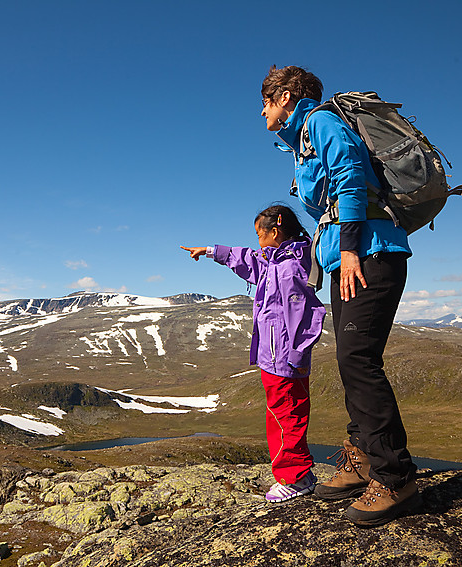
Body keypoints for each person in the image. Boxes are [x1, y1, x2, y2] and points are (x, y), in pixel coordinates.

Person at [260, 64, 422, 526]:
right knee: (353, 356)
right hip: (352, 254)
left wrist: (348, 249)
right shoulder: (304, 137)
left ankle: (395, 477)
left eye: (268, 101)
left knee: (359, 360)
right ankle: (361, 456)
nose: (263, 111)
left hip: (368, 252)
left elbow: (350, 175)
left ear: (288, 96)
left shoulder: (320, 122)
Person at [181, 204, 325, 503]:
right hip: (272, 354)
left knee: (287, 415)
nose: (258, 242)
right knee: (279, 413)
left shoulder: (294, 266)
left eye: (261, 235)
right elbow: (245, 258)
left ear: (276, 230)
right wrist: (209, 251)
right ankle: (301, 473)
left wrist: (297, 353)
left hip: (285, 356)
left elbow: (309, 313)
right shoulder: (274, 262)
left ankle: (295, 478)